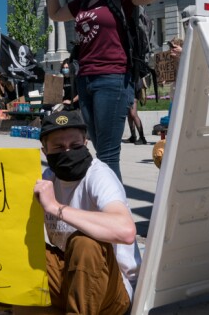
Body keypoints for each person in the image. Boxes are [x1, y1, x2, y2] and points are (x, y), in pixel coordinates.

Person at [45, 0, 162, 181]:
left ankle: (114, 213)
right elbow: (55, 14)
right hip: (86, 78)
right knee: (98, 147)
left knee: (108, 153)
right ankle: (108, 205)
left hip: (113, 77)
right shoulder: (85, 0)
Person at [31, 109, 140, 314]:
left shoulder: (99, 175)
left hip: (111, 290)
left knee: (85, 243)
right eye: (58, 147)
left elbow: (126, 232)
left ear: (85, 143)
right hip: (71, 279)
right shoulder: (47, 178)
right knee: (24, 251)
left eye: (75, 146)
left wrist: (55, 207)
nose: (67, 152)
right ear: (45, 151)